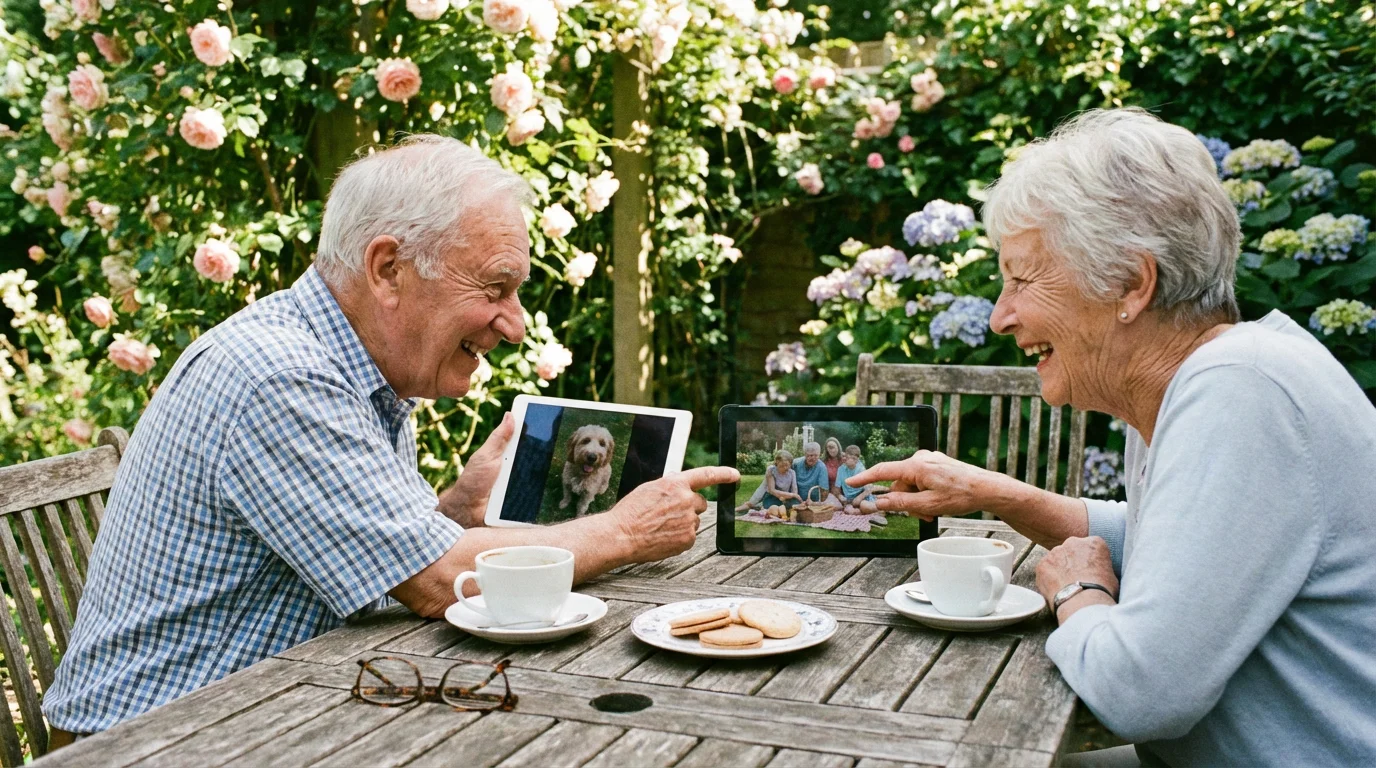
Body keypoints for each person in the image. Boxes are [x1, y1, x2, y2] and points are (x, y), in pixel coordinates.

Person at [42, 135, 738, 740]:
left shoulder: (352, 367)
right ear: (387, 269)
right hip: (151, 739)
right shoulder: (280, 377)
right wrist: (625, 530)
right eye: (497, 288)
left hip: (267, 706)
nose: (516, 324)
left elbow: (383, 562)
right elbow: (440, 584)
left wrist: (454, 513)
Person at [847, 108, 1376, 766]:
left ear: (1130, 283)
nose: (1001, 315)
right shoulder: (1200, 381)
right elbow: (1181, 545)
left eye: (1020, 279)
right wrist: (998, 495)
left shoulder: (1242, 391)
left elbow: (1141, 693)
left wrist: (1078, 592)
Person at [791, 441, 834, 507]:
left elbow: (824, 491)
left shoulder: (821, 467)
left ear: (819, 454)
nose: (813, 458)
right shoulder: (796, 463)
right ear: (805, 454)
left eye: (816, 455)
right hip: (795, 499)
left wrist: (816, 504)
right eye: (810, 455)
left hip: (813, 502)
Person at [760, 449, 800, 517]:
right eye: (781, 466)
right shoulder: (772, 471)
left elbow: (794, 491)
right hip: (772, 496)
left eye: (787, 465)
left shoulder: (792, 473)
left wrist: (790, 497)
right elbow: (772, 490)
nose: (784, 468)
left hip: (786, 497)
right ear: (776, 464)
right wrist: (790, 495)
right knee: (774, 507)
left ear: (790, 464)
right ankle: (773, 510)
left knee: (794, 505)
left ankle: (782, 511)